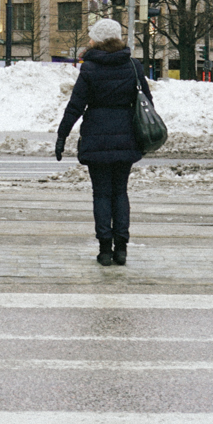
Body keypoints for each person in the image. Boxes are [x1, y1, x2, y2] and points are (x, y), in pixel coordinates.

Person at [54, 18, 145, 268]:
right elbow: (146, 103)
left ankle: (105, 249)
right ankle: (122, 248)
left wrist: (62, 135)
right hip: (126, 136)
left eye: (92, 36)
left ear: (100, 40)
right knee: (120, 192)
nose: (89, 40)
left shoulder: (90, 68)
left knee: (102, 194)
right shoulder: (133, 66)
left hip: (96, 136)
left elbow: (75, 106)